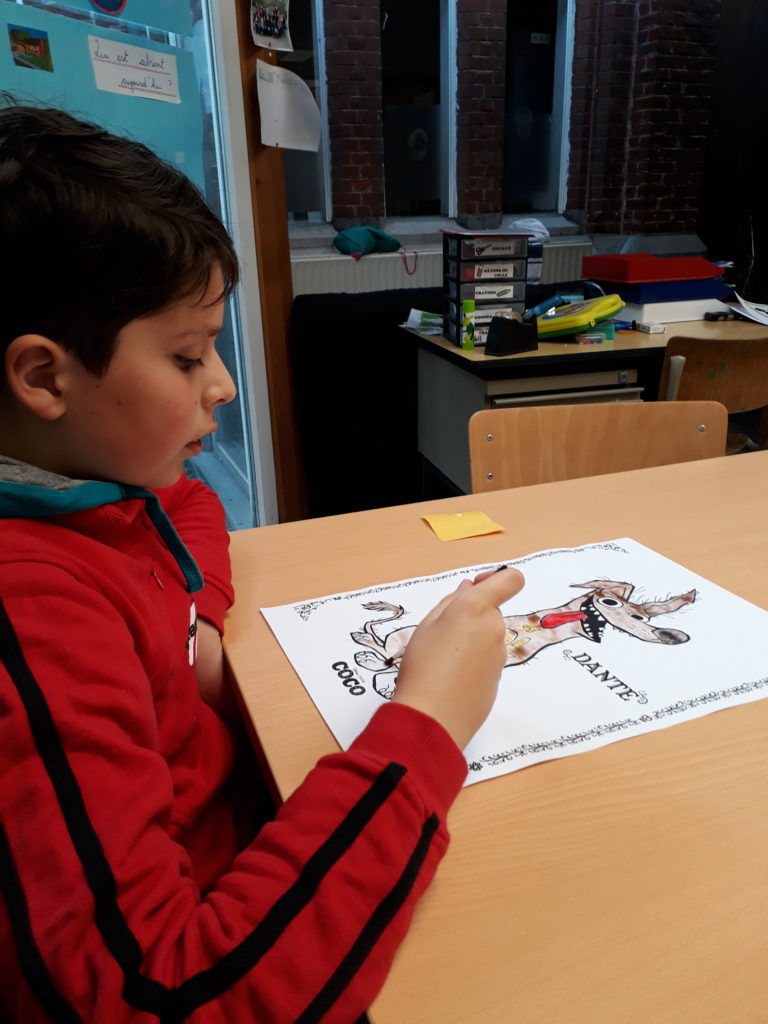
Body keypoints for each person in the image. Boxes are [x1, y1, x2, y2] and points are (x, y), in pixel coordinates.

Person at [0, 102, 524, 1023]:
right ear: (45, 377)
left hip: (253, 820)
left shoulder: (84, 480)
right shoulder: (31, 616)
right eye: (186, 355)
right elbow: (164, 995)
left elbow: (187, 505)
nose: (223, 384)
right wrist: (428, 719)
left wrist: (193, 621)